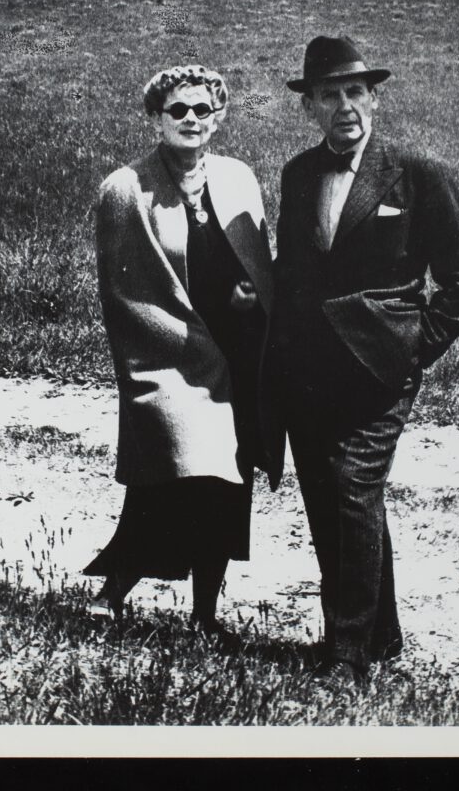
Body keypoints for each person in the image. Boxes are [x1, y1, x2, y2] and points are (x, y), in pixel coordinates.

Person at [271, 35, 459, 683]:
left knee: (350, 490)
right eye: (329, 95)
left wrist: (414, 348)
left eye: (355, 92)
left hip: (380, 368)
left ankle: (346, 654)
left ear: (375, 98)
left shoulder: (416, 174)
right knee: (325, 497)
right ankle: (380, 635)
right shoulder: (297, 176)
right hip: (309, 368)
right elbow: (297, 272)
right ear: (307, 106)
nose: (344, 106)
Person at [82, 64, 283, 645]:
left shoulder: (239, 177)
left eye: (203, 109)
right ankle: (111, 592)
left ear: (218, 116)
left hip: (239, 359)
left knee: (227, 484)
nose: (191, 119)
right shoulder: (125, 189)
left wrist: (250, 297)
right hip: (171, 361)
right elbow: (124, 295)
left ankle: (204, 619)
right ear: (156, 118)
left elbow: (255, 263)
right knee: (172, 478)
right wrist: (159, 362)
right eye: (178, 110)